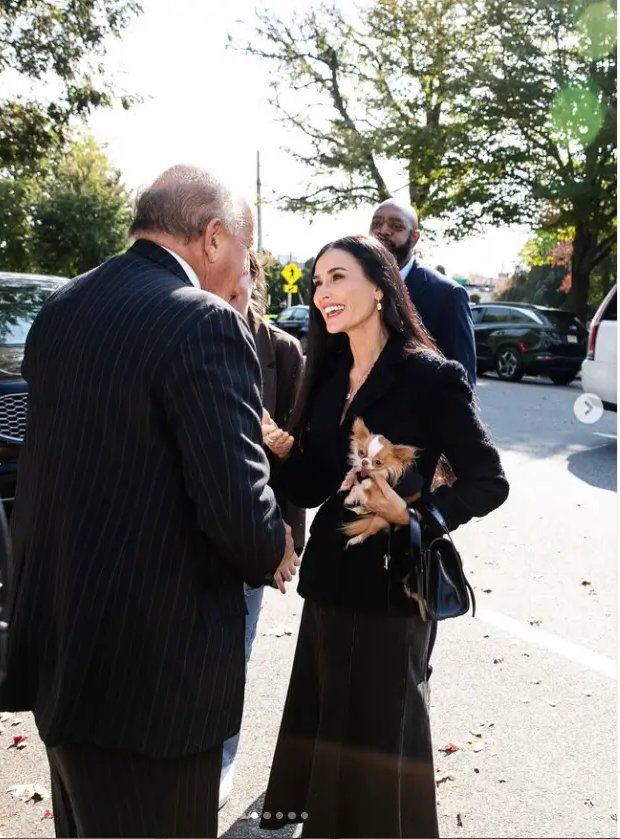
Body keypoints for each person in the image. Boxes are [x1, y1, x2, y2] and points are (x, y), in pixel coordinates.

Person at [0, 164, 301, 839]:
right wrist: (274, 538)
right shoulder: (200, 321)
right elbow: (238, 511)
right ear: (214, 237)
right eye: (246, 255)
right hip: (154, 683)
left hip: (66, 655)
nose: (243, 276)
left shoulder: (63, 307)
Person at [258, 235, 508, 838]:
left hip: (396, 590)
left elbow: (488, 481)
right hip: (330, 584)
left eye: (337, 278)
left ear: (379, 286)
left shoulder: (431, 377)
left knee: (383, 738)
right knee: (333, 732)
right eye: (317, 282)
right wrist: (283, 454)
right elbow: (318, 484)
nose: (322, 293)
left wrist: (418, 519)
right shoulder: (327, 376)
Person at [219, 252, 306, 808]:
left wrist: (285, 536)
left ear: (255, 277)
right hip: (191, 527)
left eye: (244, 273)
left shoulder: (282, 351)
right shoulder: (183, 328)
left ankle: (220, 760)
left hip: (256, 526)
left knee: (235, 654)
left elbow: (297, 458)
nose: (233, 284)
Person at [370, 199, 477, 387]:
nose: (384, 230)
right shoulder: (352, 284)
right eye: (377, 223)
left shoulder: (447, 295)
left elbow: (462, 382)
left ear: (414, 237)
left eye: (396, 226)